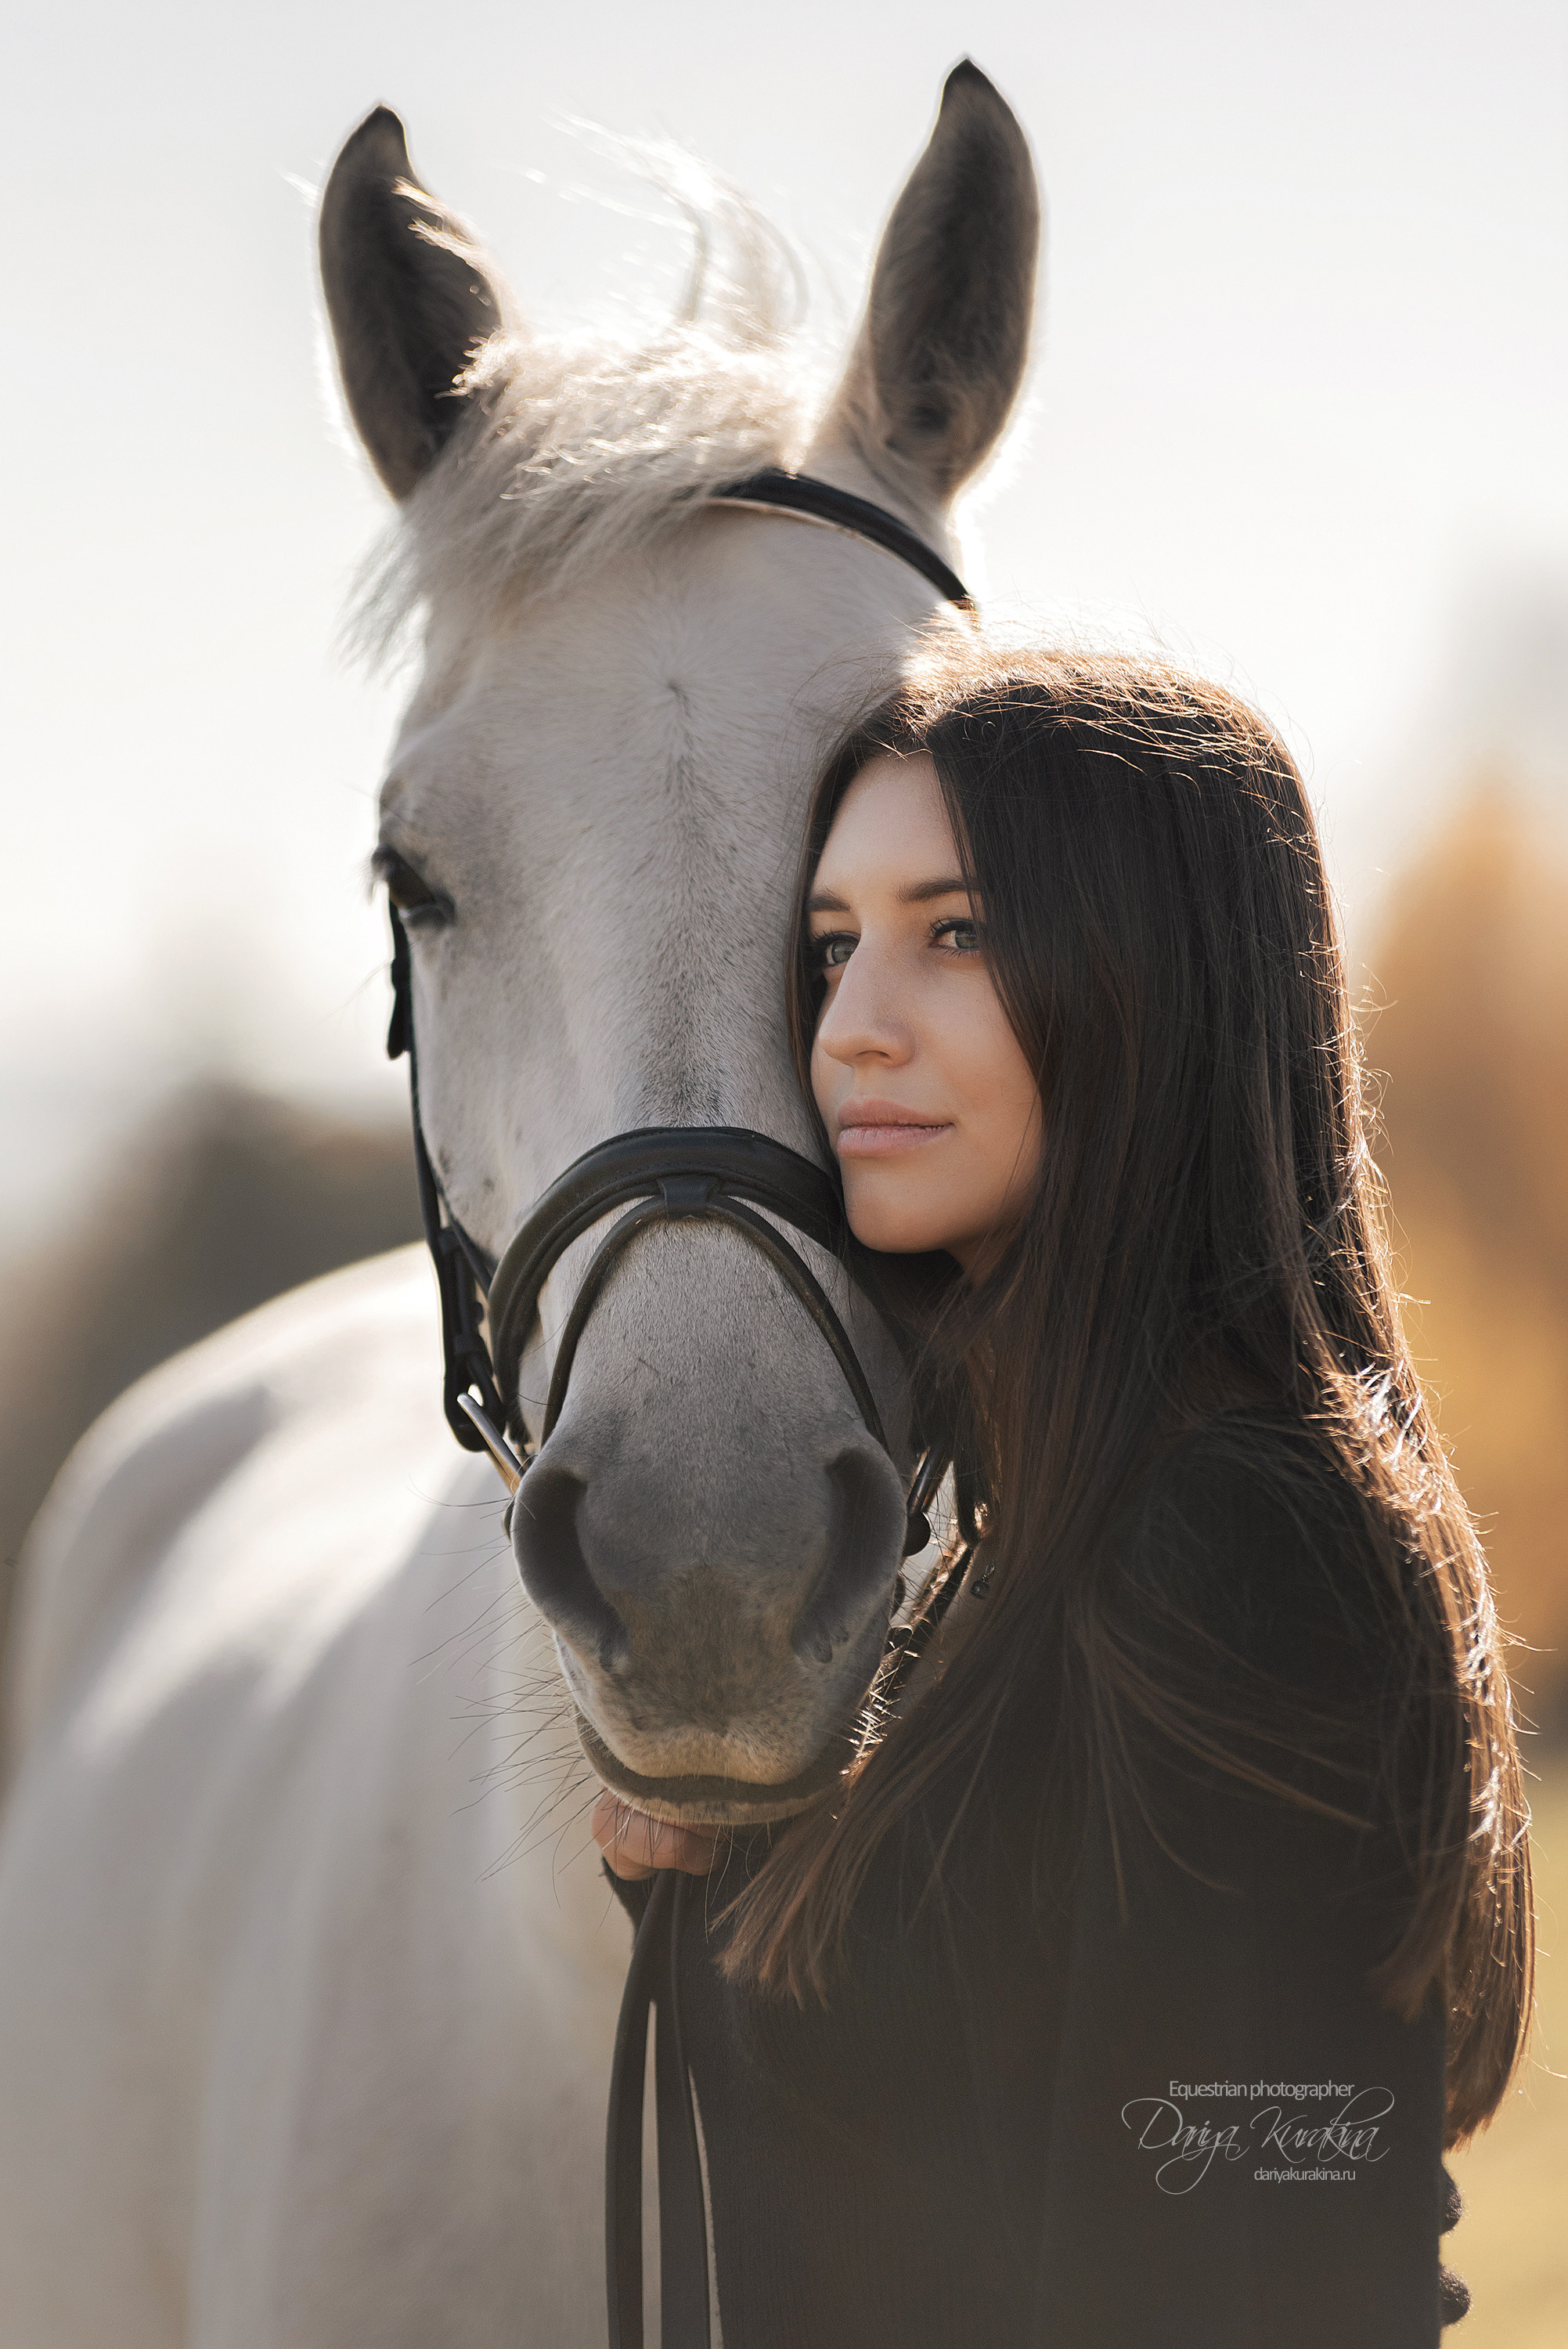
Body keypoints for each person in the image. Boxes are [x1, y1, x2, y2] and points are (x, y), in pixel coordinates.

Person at [593, 641, 1533, 2346]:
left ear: (1160, 975)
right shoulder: (1041, 1536)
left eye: (955, 933)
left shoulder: (1244, 1546)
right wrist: (731, 1876)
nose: (853, 1028)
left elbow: (1259, 2273)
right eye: (831, 947)